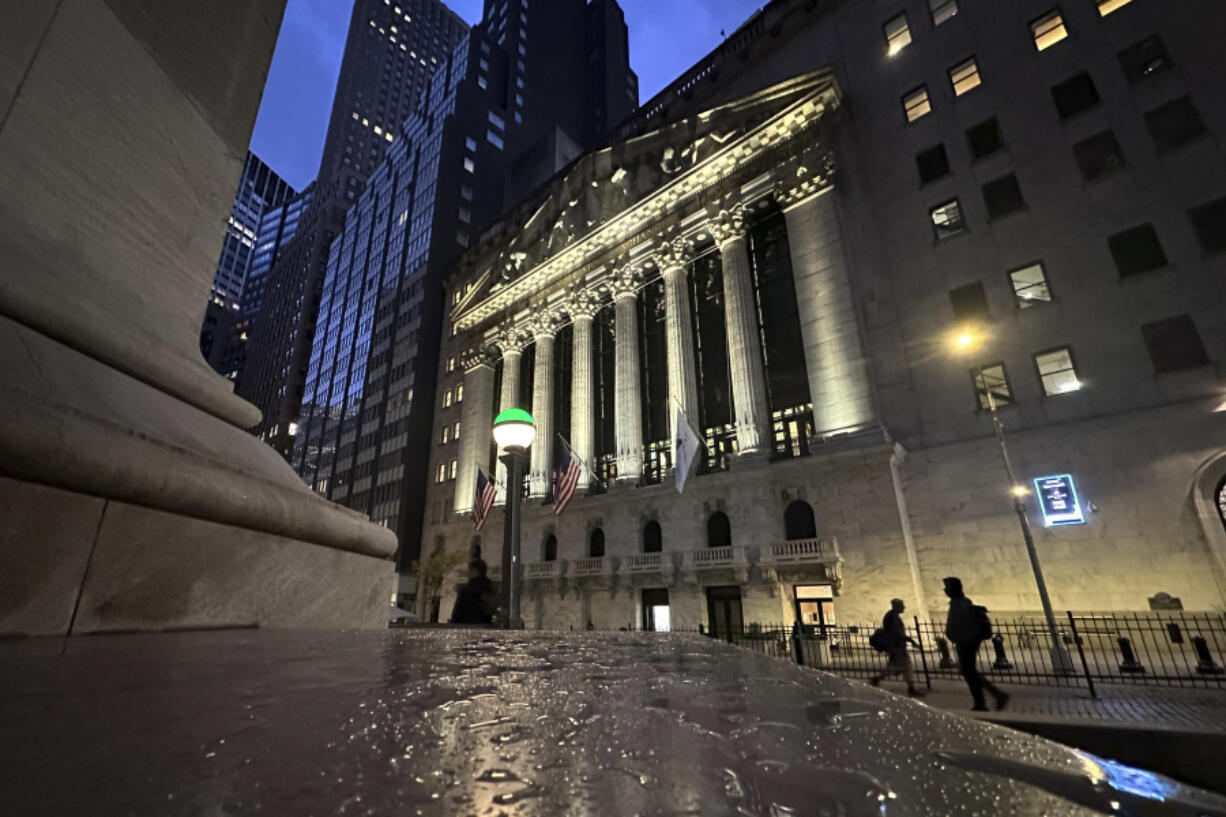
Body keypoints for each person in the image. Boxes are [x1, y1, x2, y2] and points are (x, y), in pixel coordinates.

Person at [944, 577, 1009, 711]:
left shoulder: (958, 605)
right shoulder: (962, 602)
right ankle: (984, 701)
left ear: (952, 589)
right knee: (969, 672)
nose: (944, 590)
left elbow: (959, 625)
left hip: (965, 642)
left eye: (946, 587)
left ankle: (991, 698)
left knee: (969, 672)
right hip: (966, 642)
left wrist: (955, 637)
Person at [869, 598, 923, 697]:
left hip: (895, 647)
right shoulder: (893, 617)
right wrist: (911, 640)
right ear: (897, 606)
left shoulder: (891, 616)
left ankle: (877, 678)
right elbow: (897, 633)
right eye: (902, 605)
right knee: (906, 666)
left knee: (894, 667)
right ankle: (911, 688)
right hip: (896, 647)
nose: (904, 607)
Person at [449, 559, 496, 625]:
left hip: (466, 626)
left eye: (470, 571)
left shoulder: (466, 590)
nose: (468, 573)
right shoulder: (491, 587)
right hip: (486, 627)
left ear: (475, 571)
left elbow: (456, 613)